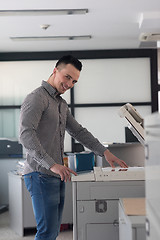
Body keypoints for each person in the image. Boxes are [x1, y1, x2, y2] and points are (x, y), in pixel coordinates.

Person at [19, 55, 128, 240]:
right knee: (46, 232)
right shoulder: (37, 98)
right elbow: (26, 135)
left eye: (74, 81)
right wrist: (52, 164)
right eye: (67, 77)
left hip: (56, 174)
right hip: (40, 174)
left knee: (53, 232)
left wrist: (105, 152)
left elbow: (78, 131)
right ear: (55, 71)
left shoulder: (61, 104)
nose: (70, 84)